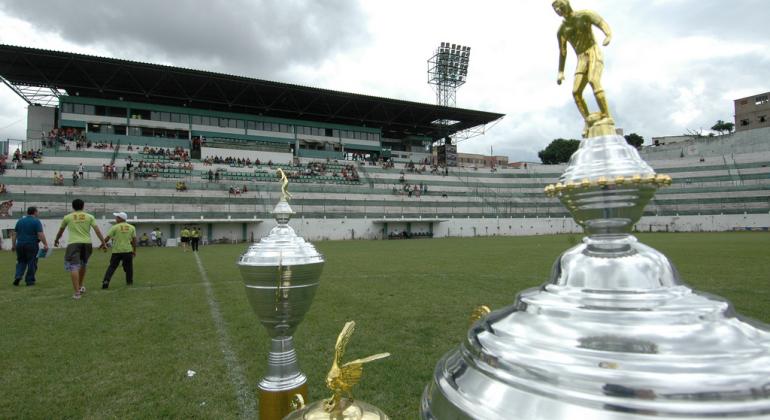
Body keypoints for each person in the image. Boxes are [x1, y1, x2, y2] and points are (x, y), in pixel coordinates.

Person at [553, 0, 613, 137]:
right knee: (576, 92)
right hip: (581, 58)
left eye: (559, 6)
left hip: (593, 51)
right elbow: (562, 52)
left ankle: (607, 116)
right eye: (555, 8)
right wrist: (561, 71)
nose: (558, 10)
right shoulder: (562, 30)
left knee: (593, 80)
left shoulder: (585, 15)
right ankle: (588, 120)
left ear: (566, 4)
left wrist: (608, 34)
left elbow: (601, 22)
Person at [54, 199, 107, 300]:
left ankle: (77, 293)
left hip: (73, 243)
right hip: (87, 243)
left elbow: (61, 231)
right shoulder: (90, 216)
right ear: (83, 206)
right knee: (83, 264)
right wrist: (103, 243)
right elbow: (97, 231)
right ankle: (80, 286)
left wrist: (56, 240)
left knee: (74, 266)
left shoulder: (67, 217)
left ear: (73, 207)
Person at [11, 206, 49, 286]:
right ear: (34, 212)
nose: (38, 213)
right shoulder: (36, 221)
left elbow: (14, 234)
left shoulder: (20, 221)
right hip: (31, 244)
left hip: (20, 244)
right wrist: (45, 244)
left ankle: (18, 276)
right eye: (37, 211)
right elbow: (40, 234)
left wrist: (13, 245)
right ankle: (30, 281)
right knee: (32, 262)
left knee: (21, 261)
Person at [101, 212, 136, 289]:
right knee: (129, 267)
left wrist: (103, 244)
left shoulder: (115, 227)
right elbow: (134, 240)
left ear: (121, 219)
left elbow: (107, 238)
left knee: (112, 267)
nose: (115, 219)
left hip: (117, 251)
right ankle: (129, 282)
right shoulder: (132, 227)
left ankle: (106, 282)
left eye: (117, 217)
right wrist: (134, 250)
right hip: (128, 251)